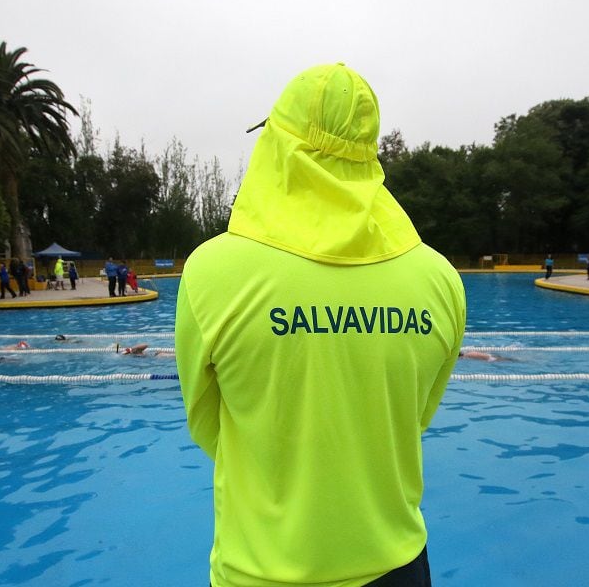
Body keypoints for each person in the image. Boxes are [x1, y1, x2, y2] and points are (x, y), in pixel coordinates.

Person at [175, 63, 466, 587]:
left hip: (262, 569)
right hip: (397, 565)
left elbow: (207, 424)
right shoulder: (440, 280)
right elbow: (414, 418)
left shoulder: (211, 273)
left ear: (276, 148)